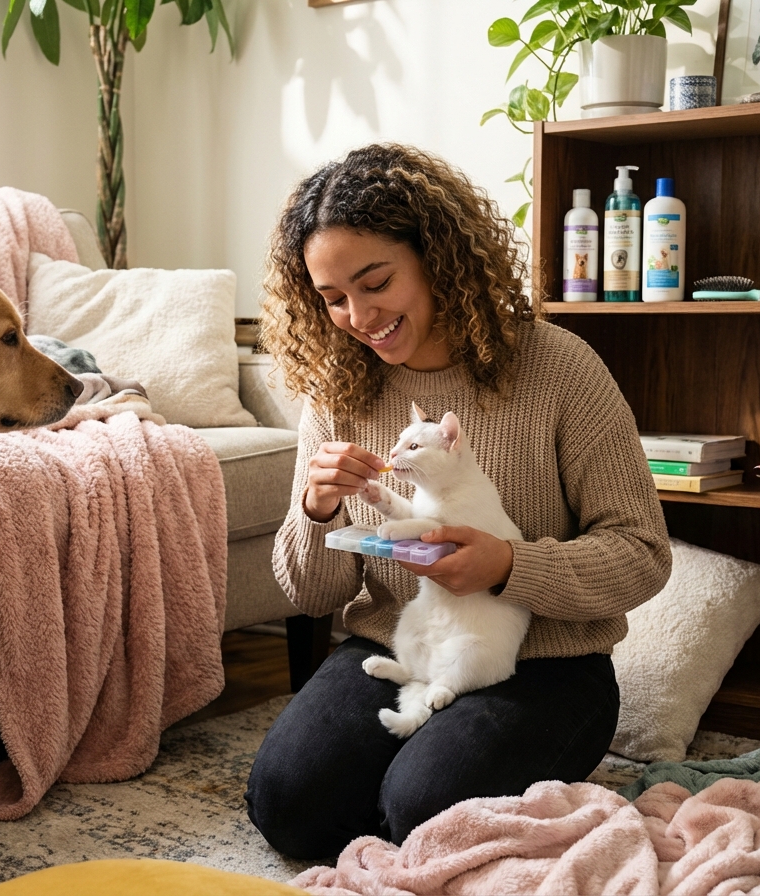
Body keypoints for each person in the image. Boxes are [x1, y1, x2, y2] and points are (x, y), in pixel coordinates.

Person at [245, 143, 671, 859]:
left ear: (437, 256)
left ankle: (440, 787)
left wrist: (509, 566)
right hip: (403, 642)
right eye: (332, 299)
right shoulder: (338, 392)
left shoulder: (558, 368)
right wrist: (317, 513)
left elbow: (642, 555)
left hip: (548, 661)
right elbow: (313, 594)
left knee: (424, 808)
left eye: (375, 281)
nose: (357, 315)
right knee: (288, 805)